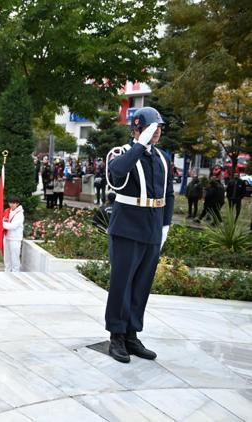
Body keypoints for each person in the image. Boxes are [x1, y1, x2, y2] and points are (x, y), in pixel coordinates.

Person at [104, 106, 173, 364]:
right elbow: (117, 173)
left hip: (152, 227)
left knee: (142, 285)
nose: (157, 132)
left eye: (159, 128)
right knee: (122, 284)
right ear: (137, 128)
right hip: (127, 227)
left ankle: (132, 334)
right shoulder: (122, 153)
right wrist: (138, 145)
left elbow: (168, 194)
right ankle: (116, 335)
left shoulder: (163, 158)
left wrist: (165, 225)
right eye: (152, 127)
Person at [2, 197, 24, 272]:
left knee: (15, 258)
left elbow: (13, 226)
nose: (11, 204)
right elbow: (4, 220)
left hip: (15, 239)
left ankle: (15, 274)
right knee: (7, 258)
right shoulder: (7, 211)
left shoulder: (20, 214)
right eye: (10, 202)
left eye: (13, 203)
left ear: (17, 204)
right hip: (6, 237)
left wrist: (0, 224)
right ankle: (7, 273)